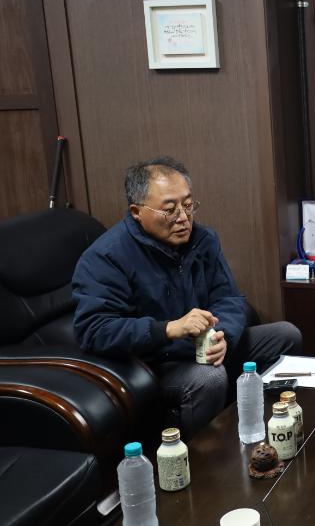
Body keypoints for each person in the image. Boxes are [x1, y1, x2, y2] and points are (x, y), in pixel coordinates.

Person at [72, 156, 302, 439]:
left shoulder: (203, 240)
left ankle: (265, 429)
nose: (183, 218)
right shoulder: (106, 257)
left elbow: (230, 298)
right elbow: (93, 330)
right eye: (170, 210)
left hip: (202, 348)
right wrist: (168, 329)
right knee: (209, 378)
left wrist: (223, 336)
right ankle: (203, 458)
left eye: (188, 205)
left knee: (286, 335)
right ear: (136, 211)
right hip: (156, 363)